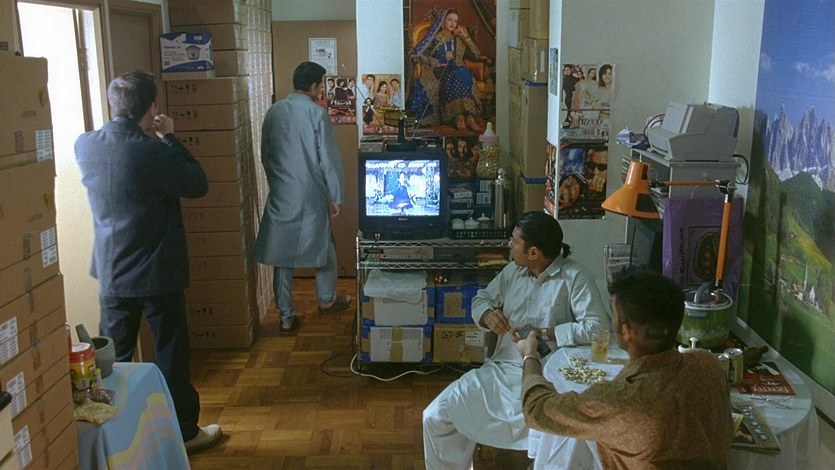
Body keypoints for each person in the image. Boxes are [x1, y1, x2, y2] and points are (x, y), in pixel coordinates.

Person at [74, 69, 222, 453]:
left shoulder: (85, 145)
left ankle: (111, 440)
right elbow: (198, 183)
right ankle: (184, 431)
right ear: (151, 108)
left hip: (112, 271)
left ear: (113, 104)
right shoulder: (152, 151)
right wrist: (169, 136)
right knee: (171, 354)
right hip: (157, 272)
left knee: (109, 361)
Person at [423, 211, 609, 469]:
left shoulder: (574, 277)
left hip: (550, 377)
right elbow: (481, 299)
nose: (509, 244)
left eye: (514, 240)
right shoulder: (514, 271)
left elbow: (598, 328)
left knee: (573, 436)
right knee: (435, 416)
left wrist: (547, 333)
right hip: (503, 371)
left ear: (533, 252)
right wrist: (487, 315)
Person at [516, 268, 732, 469]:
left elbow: (536, 408)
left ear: (627, 332)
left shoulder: (620, 400)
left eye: (613, 313)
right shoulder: (708, 365)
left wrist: (530, 355)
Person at [254, 61, 351, 335]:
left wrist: (276, 182)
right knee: (324, 245)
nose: (322, 90)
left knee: (281, 256)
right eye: (321, 85)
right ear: (313, 86)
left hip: (282, 192)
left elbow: (265, 154)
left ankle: (286, 316)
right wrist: (336, 195)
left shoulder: (274, 111)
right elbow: (328, 159)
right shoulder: (316, 114)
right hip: (310, 192)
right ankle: (326, 299)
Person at [409, 8, 484, 133]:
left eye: (455, 21)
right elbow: (419, 54)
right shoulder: (435, 38)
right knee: (455, 74)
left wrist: (465, 38)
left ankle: (469, 117)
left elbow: (476, 55)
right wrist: (435, 62)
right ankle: (458, 117)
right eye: (450, 20)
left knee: (462, 74)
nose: (453, 23)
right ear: (442, 21)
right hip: (441, 71)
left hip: (459, 69)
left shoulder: (460, 39)